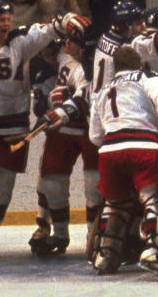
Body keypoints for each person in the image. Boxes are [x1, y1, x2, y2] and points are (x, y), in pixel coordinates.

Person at [0, 0, 90, 260]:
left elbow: (51, 29)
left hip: (14, 123)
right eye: (0, 19)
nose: (6, 24)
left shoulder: (21, 41)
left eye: (8, 18)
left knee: (3, 184)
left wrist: (66, 19)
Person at [87, 46, 158, 277]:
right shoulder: (146, 77)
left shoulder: (101, 91)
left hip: (109, 150)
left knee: (114, 203)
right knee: (152, 199)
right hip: (143, 146)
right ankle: (154, 250)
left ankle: (104, 255)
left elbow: (94, 136)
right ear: (139, 64)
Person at [27, 31, 102, 255]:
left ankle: (94, 235)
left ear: (84, 47)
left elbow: (80, 100)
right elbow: (47, 50)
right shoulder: (64, 55)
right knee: (51, 182)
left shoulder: (90, 68)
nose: (65, 44)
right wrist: (44, 91)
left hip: (90, 129)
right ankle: (58, 233)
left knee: (94, 187)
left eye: (72, 41)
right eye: (65, 40)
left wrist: (53, 105)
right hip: (64, 130)